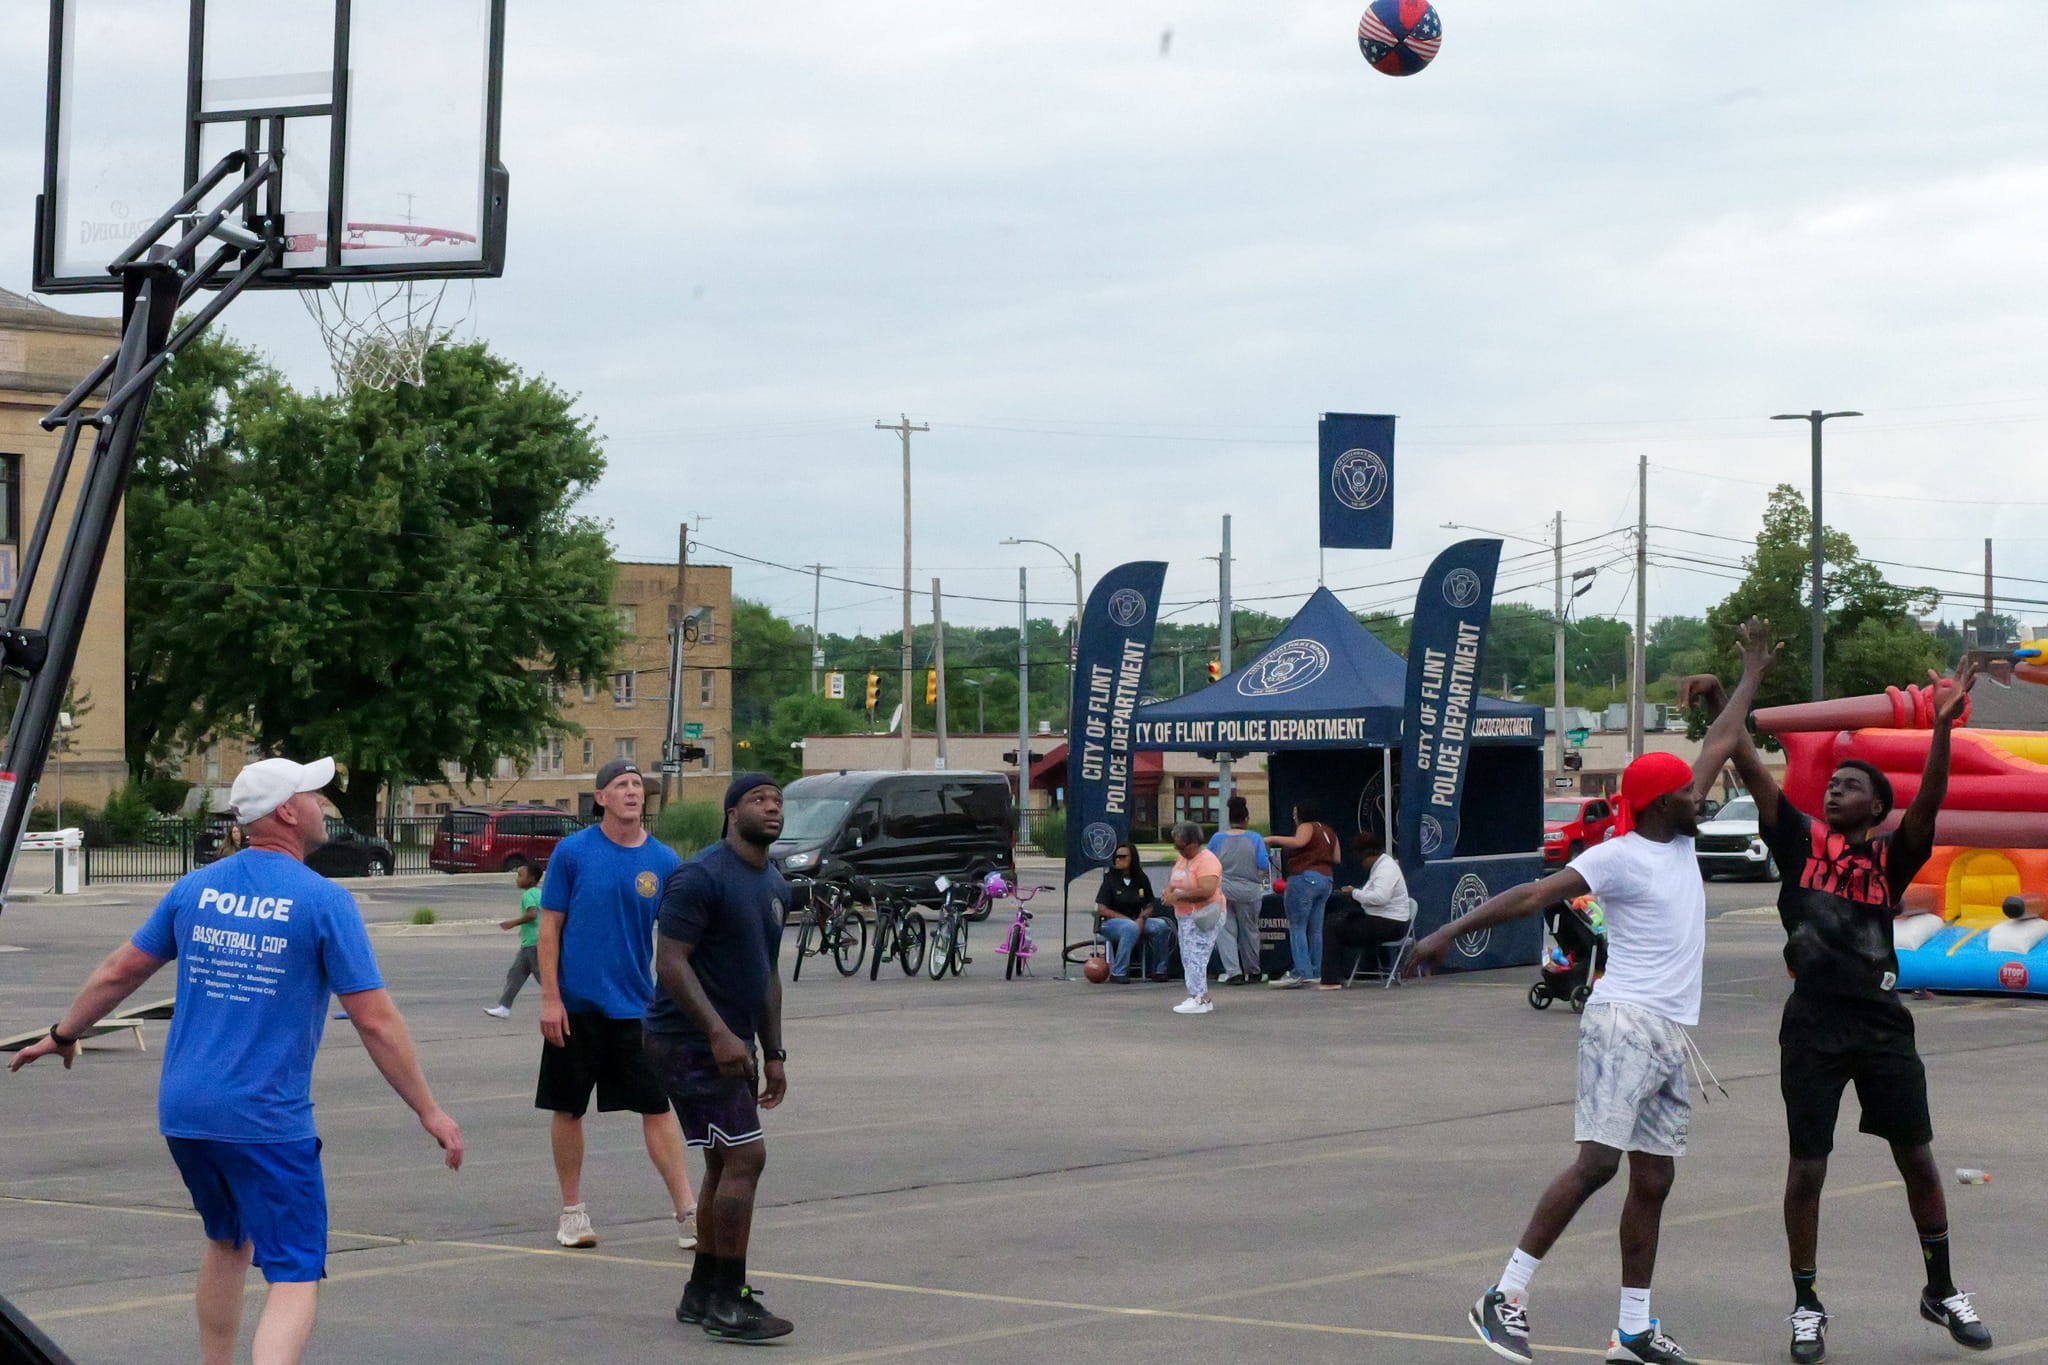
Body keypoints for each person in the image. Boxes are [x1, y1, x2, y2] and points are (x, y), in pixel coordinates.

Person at [8, 756, 462, 1365]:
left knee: (227, 1242)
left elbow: (123, 969)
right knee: (295, 1271)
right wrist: (429, 1110)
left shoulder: (197, 888)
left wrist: (63, 1033)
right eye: (312, 794)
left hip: (186, 1111)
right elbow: (376, 1021)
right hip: (265, 1119)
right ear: (285, 811)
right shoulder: (323, 901)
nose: (323, 804)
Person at [1410, 617, 1775, 1365]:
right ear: (1654, 805)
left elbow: (1719, 740)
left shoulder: (1676, 832)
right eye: (1686, 794)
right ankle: (1502, 1294)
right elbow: (1532, 893)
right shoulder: (1620, 855)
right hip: (1624, 1022)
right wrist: (1445, 933)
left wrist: (1750, 674)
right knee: (1598, 1164)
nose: (1699, 794)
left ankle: (1633, 1329)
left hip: (1672, 1031)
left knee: (1655, 1176)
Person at [1690, 651, 1991, 1362]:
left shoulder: (1891, 857)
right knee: (1807, 1169)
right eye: (1832, 782)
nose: (1834, 790)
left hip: (1882, 1024)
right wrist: (1726, 696)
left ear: (1875, 808)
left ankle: (1941, 1288)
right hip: (1813, 1026)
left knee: (1916, 1158)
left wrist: (1941, 729)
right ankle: (1806, 1303)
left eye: (1850, 785)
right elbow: (1745, 758)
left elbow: (1932, 802)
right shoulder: (1798, 844)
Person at [648, 774, 795, 1343]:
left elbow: (767, 976)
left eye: (778, 800)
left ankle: (702, 1291)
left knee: (722, 1161)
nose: (772, 807)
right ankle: (730, 1303)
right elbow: (672, 964)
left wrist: (775, 1052)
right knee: (746, 1159)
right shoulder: (700, 875)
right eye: (759, 800)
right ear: (732, 813)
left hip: (732, 1043)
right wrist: (716, 1033)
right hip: (685, 1040)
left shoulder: (775, 886)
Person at [535, 759, 697, 1251]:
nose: (632, 792)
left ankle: (687, 1212)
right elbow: (548, 928)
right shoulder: (572, 853)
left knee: (657, 1107)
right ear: (600, 797)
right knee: (568, 1109)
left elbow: (677, 940)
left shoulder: (664, 862)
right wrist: (550, 998)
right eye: (621, 785)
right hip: (576, 1007)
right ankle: (572, 1213)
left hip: (637, 1009)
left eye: (637, 786)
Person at [1316, 829, 1410, 989]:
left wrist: (1354, 893)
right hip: (1385, 920)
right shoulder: (1381, 866)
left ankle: (1330, 979)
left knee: (1333, 927)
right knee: (1340, 920)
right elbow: (1369, 893)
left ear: (1367, 855)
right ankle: (1361, 968)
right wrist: (1356, 893)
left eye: (1361, 859)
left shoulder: (1386, 869)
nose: (1361, 864)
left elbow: (1380, 897)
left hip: (1390, 924)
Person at [1266, 801, 1339, 987]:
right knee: (1316, 929)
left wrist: (1273, 838)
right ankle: (1316, 970)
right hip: (1326, 879)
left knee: (1297, 926)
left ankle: (1302, 971)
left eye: (1295, 813)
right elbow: (1337, 857)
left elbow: (1300, 842)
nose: (1293, 817)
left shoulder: (1306, 826)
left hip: (1304, 877)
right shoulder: (1329, 830)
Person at [1161, 821, 1225, 1015]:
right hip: (1184, 915)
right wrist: (1169, 892)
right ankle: (1201, 996)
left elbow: (1207, 891)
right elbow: (1175, 881)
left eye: (1182, 846)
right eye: (1176, 846)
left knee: (1196, 955)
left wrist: (1179, 896)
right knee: (1188, 956)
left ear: (1194, 843)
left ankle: (1198, 998)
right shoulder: (1182, 860)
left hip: (1203, 914)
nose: (1179, 850)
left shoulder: (1207, 860)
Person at [1208, 797, 1271, 983]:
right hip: (1249, 891)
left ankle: (1233, 972)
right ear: (1247, 819)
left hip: (1224, 890)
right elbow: (1262, 863)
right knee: (1250, 931)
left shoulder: (1217, 838)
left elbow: (1208, 863)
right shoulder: (1255, 838)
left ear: (1229, 819)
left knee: (1226, 931)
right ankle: (1253, 969)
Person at [1095, 841, 1172, 983]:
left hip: (1137, 919)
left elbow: (1149, 904)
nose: (1119, 859)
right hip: (1112, 923)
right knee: (1130, 928)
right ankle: (1119, 972)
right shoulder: (1110, 879)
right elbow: (1102, 909)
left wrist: (1142, 918)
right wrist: (1128, 921)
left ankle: (1159, 970)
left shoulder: (1141, 879)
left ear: (1132, 858)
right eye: (1117, 857)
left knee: (1162, 926)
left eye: (1123, 856)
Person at [485, 861, 544, 1018]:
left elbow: (532, 914)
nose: (517, 879)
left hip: (534, 944)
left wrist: (512, 923)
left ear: (531, 879)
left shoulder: (528, 894)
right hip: (532, 942)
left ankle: (564, 1004)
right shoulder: (539, 893)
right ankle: (504, 1007)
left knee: (543, 978)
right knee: (515, 974)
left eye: (520, 875)